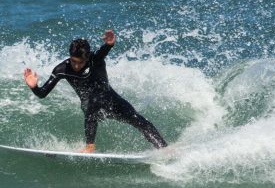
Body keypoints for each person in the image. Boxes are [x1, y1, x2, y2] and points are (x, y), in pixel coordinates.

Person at [23, 30, 168, 153]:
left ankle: (163, 148)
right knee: (93, 99)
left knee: (139, 120)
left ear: (87, 57)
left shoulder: (95, 60)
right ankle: (90, 146)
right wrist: (34, 86)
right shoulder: (61, 70)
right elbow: (42, 93)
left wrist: (109, 44)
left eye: (81, 62)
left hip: (111, 100)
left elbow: (102, 51)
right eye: (74, 61)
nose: (77, 66)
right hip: (90, 105)